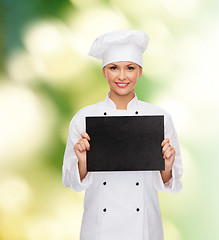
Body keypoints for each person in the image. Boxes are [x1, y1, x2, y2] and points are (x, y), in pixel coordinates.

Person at [62, 29, 183, 240]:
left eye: (130, 68)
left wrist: (168, 165)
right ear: (103, 72)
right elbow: (70, 181)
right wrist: (82, 162)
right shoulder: (84, 118)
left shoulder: (160, 117)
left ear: (140, 71)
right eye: (113, 68)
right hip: (99, 229)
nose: (122, 76)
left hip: (144, 229)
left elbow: (169, 184)